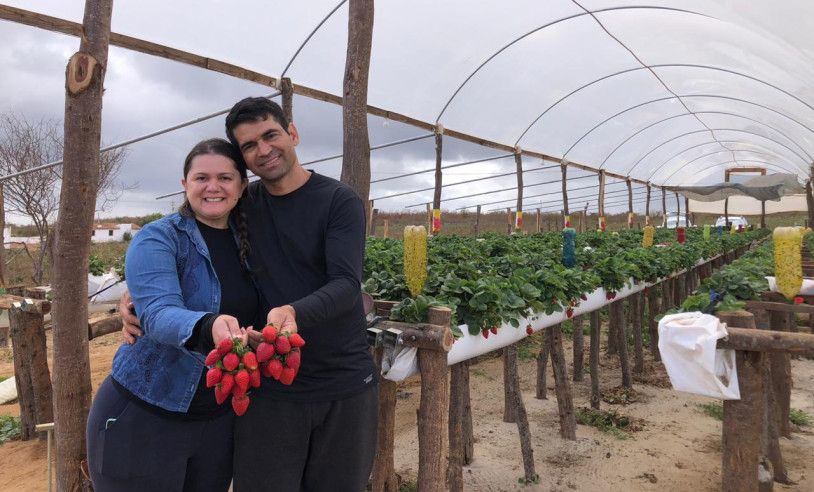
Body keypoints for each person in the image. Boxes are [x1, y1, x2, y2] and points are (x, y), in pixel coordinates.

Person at [121, 97, 379, 491]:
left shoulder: (338, 201)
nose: (263, 150)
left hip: (341, 381)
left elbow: (346, 283)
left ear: (292, 134)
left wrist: (293, 311)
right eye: (248, 146)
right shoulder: (244, 202)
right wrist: (136, 291)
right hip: (267, 384)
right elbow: (189, 239)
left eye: (270, 135)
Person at [89, 138, 264, 491]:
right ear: (185, 184)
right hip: (147, 412)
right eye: (201, 178)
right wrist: (207, 324)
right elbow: (157, 312)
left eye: (225, 178)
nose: (212, 187)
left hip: (217, 418)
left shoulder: (253, 240)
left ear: (242, 185)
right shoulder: (158, 238)